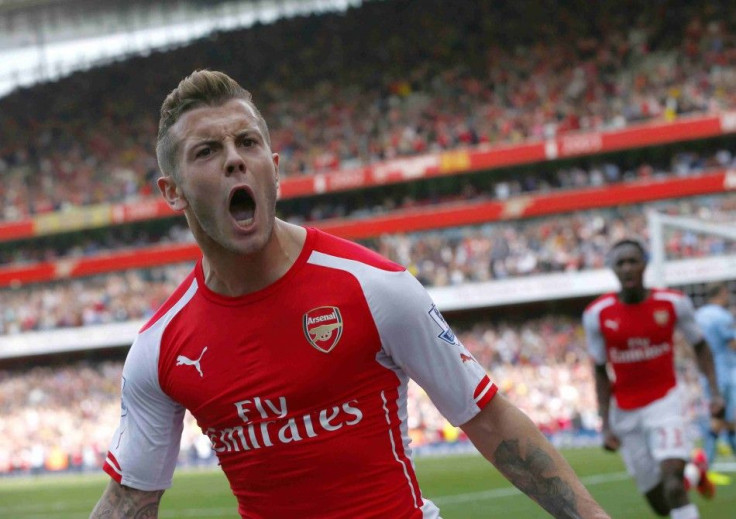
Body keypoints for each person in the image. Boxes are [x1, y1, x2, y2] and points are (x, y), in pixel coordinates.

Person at [90, 69, 610, 519]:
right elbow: (131, 498)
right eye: (207, 151)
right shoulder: (158, 349)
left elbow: (492, 420)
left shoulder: (375, 287)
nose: (234, 161)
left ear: (275, 167)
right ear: (172, 191)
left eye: (247, 144)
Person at [583, 239, 724, 519]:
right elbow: (599, 370)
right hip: (626, 413)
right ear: (612, 269)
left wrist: (715, 393)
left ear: (644, 264)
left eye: (632, 261)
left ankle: (685, 473)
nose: (627, 268)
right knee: (660, 505)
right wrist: (606, 422)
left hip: (666, 402)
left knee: (673, 487)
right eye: (620, 263)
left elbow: (700, 345)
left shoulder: (673, 303)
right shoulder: (596, 315)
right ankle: (694, 471)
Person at [695, 282, 736, 465]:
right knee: (725, 420)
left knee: (719, 417)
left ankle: (705, 465)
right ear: (722, 293)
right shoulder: (722, 316)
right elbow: (733, 343)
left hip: (707, 375)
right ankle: (702, 465)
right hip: (725, 373)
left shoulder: (698, 316)